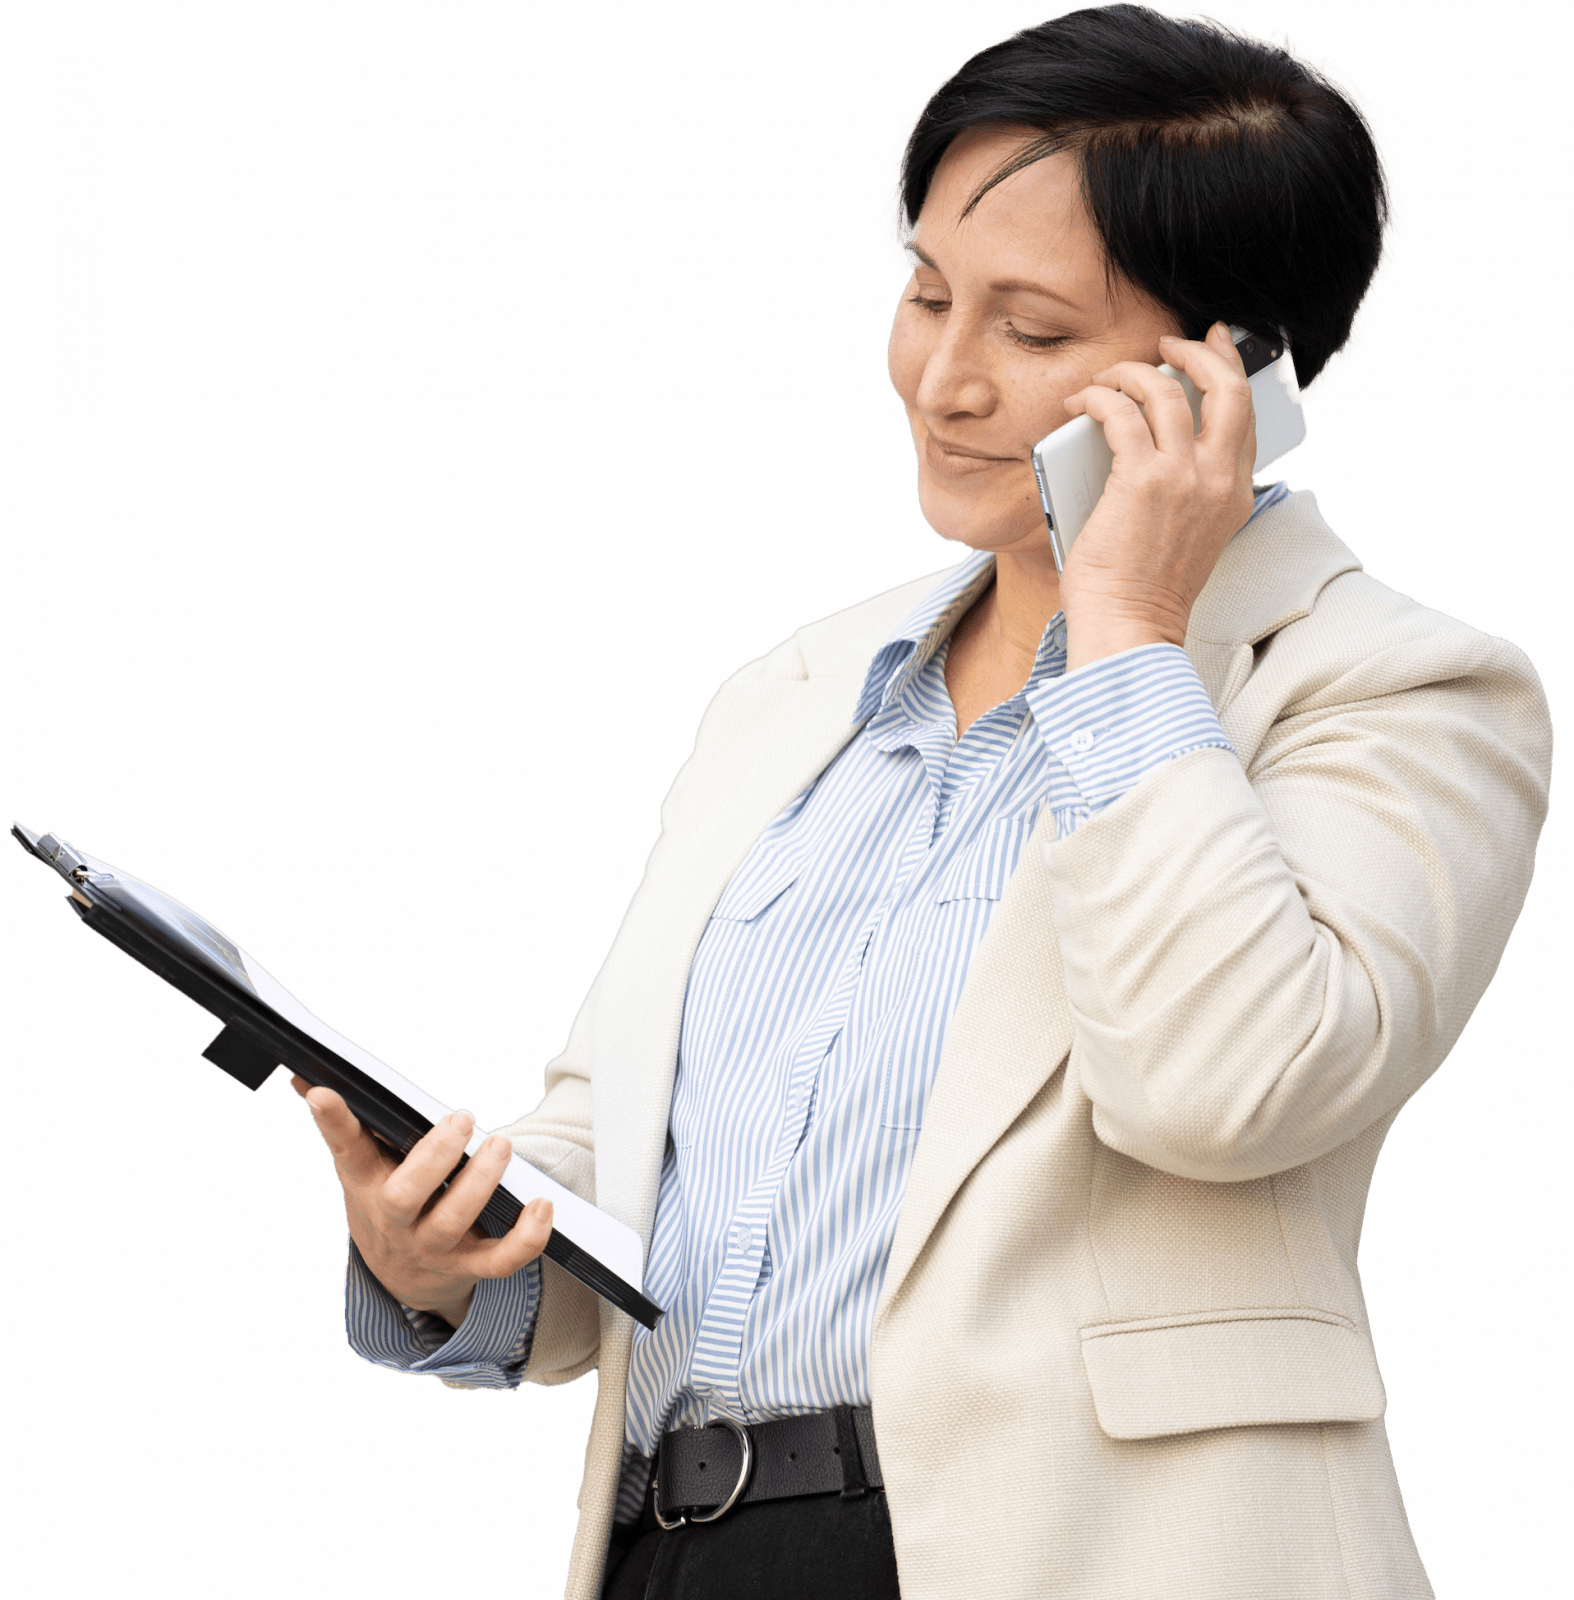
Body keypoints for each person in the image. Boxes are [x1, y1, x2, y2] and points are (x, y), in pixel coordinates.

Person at [293, 5, 1553, 1597]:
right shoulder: (797, 690)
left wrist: (1128, 635)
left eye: (1032, 331)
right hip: (681, 1547)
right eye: (928, 292)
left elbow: (1226, 1094)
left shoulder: (1398, 688)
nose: (945, 379)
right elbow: (627, 1148)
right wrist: (447, 1263)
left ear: (1231, 377)